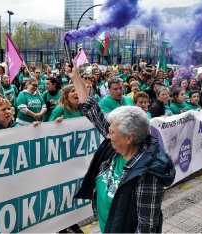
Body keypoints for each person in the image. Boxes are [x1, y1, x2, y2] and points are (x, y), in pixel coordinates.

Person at [68, 62, 175, 233]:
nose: (107, 135)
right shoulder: (118, 146)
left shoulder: (148, 174)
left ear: (129, 137)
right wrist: (75, 78)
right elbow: (91, 108)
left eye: (111, 132)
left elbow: (146, 228)